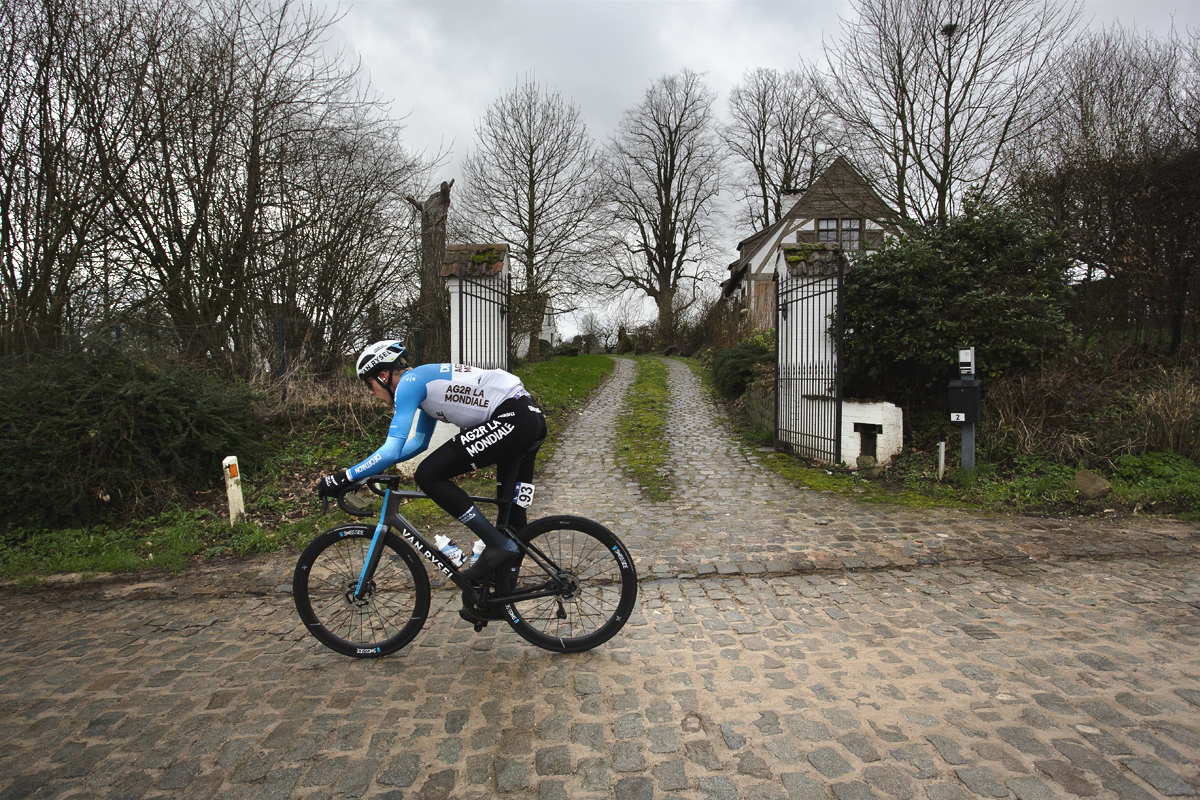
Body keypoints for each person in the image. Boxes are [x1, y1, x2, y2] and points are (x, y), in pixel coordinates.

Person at [316, 340, 546, 614]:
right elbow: (417, 445)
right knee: (510, 513)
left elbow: (392, 449)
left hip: (512, 417)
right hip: (527, 417)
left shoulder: (410, 383)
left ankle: (496, 545)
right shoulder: (423, 383)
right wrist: (370, 471)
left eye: (370, 385)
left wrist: (342, 478)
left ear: (383, 375)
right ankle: (502, 600)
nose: (371, 394)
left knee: (429, 474)